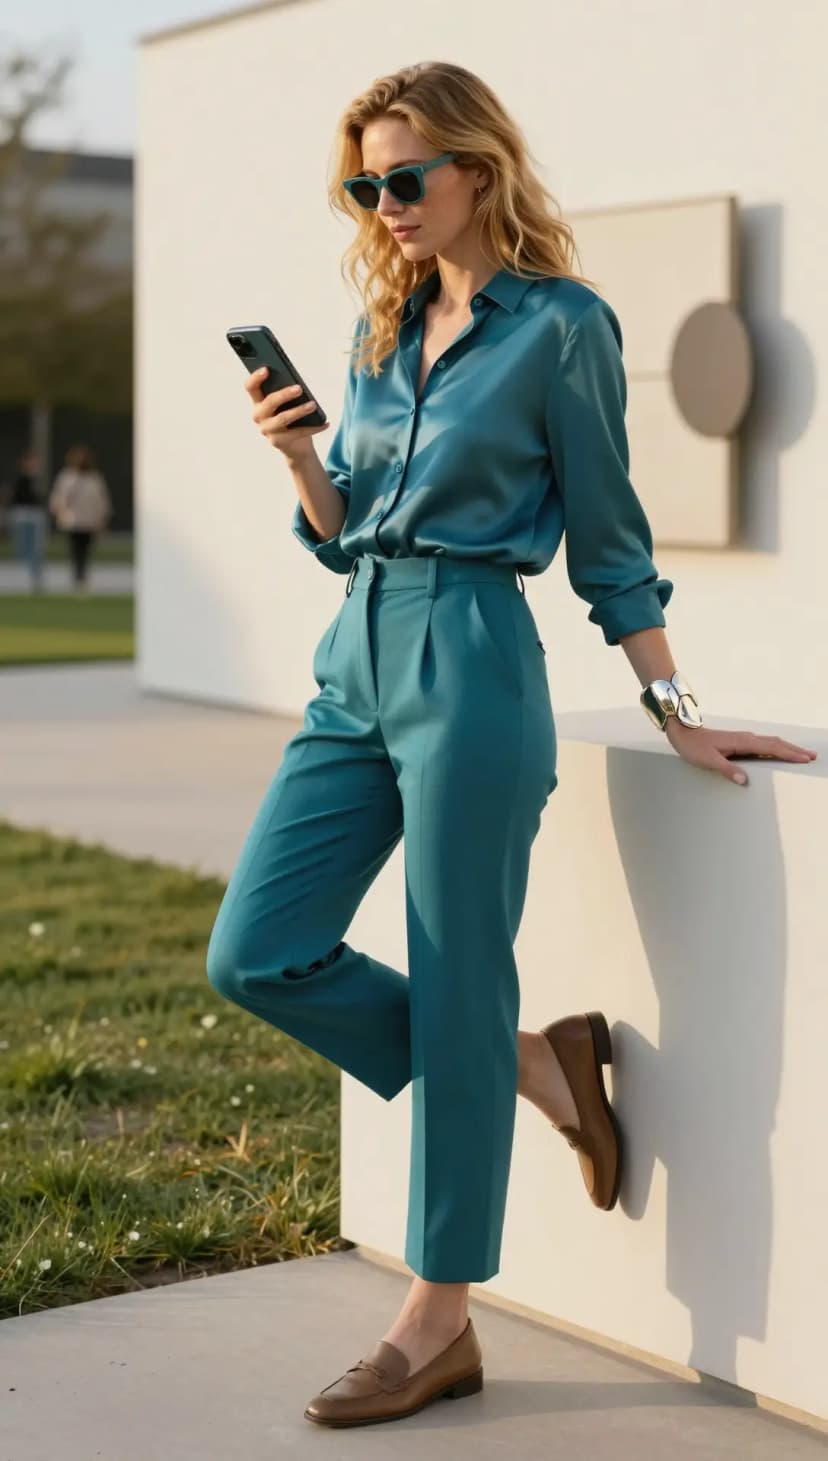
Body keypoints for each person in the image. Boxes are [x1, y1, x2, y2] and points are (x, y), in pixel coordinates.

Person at [205, 61, 818, 1428]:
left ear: (479, 168)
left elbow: (608, 538)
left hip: (474, 661)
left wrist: (678, 708)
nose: (386, 204)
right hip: (354, 660)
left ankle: (439, 1320)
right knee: (254, 949)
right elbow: (342, 530)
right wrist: (301, 462)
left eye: (404, 176)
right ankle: (538, 1062)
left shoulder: (562, 328)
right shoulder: (377, 329)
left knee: (456, 965)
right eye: (364, 183)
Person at [48, 444, 112, 593]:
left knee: (84, 551)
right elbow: (59, 499)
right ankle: (78, 579)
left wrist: (102, 518)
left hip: (89, 522)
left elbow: (101, 501)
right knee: (76, 551)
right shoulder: (67, 478)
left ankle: (81, 578)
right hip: (73, 521)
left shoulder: (94, 478)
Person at [8, 447, 48, 592]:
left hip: (35, 515)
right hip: (22, 514)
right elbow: (15, 497)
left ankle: (36, 578)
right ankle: (22, 578)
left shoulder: (37, 479)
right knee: (22, 548)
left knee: (36, 548)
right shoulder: (19, 479)